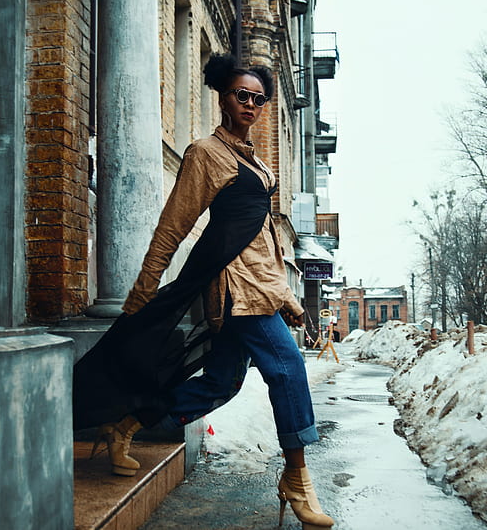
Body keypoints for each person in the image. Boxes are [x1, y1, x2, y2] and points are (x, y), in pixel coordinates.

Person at [73, 53, 334, 530]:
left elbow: (264, 241)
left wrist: (290, 296)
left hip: (260, 285)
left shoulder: (251, 158)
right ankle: (296, 480)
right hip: (235, 289)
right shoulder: (205, 154)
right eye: (242, 95)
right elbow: (172, 227)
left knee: (222, 382)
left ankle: (124, 425)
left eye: (259, 98)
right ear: (223, 97)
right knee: (288, 365)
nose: (251, 104)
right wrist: (143, 288)